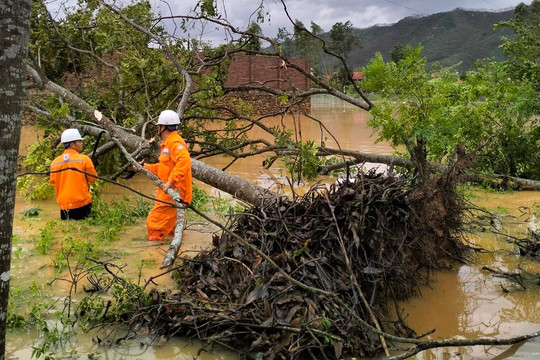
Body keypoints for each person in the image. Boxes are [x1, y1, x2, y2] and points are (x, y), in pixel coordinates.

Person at [141, 110, 192, 241]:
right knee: (172, 231)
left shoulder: (175, 143)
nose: (157, 129)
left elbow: (184, 161)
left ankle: (154, 256)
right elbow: (164, 168)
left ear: (163, 127)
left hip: (172, 194)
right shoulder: (167, 144)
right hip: (170, 193)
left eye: (158, 126)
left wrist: (170, 182)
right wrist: (144, 167)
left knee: (154, 227)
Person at [50, 128, 98, 220]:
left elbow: (53, 183)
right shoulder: (84, 159)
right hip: (82, 204)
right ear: (72, 144)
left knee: (67, 231)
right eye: (79, 141)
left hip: (63, 206)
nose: (82, 143)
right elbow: (93, 179)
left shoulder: (55, 162)